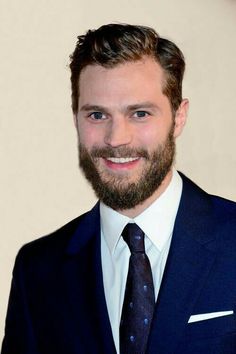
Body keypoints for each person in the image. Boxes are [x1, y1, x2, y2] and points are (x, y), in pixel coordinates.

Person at [1, 23, 236, 354]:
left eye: (140, 113)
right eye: (97, 115)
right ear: (76, 118)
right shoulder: (37, 270)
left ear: (179, 117)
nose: (116, 139)